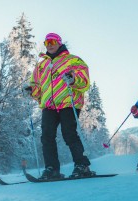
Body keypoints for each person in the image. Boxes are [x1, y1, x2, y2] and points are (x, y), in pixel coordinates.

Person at [25, 32, 93, 179]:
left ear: (59, 42)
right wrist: (32, 90)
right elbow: (37, 85)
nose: (49, 45)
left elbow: (85, 81)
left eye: (52, 42)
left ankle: (82, 165)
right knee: (46, 136)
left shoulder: (73, 60)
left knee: (69, 133)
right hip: (49, 105)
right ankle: (52, 169)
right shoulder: (41, 65)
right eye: (46, 43)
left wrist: (73, 79)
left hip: (68, 102)